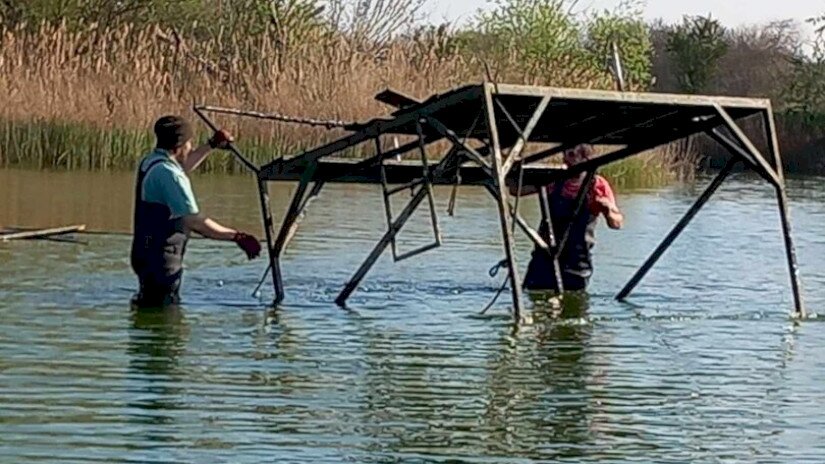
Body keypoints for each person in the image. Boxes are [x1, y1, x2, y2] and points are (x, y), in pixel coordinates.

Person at [130, 115, 262, 307]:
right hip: (162, 262)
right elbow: (196, 222)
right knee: (167, 323)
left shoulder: (151, 162)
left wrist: (211, 145)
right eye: (189, 142)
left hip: (144, 255)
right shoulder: (170, 176)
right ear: (179, 145)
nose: (191, 147)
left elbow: (182, 165)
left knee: (146, 307)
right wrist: (238, 237)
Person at [510, 143, 623, 292]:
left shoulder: (597, 185)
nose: (565, 159)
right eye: (564, 154)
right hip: (544, 256)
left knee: (573, 303)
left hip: (577, 262)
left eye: (571, 155)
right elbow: (515, 190)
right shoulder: (554, 180)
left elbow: (617, 223)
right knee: (535, 296)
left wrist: (608, 209)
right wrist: (512, 168)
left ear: (585, 158)